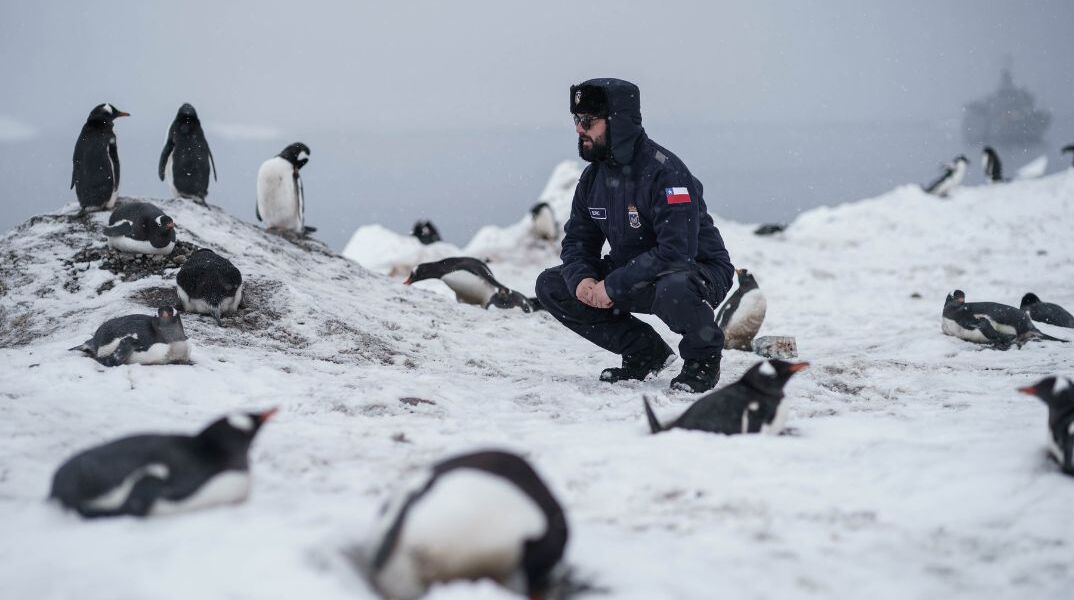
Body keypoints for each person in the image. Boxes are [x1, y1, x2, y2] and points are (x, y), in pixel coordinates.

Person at [535, 78, 734, 393]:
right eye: (577, 119)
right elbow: (576, 243)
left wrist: (612, 286)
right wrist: (583, 279)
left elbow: (676, 254)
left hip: (697, 269)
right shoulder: (593, 178)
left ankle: (703, 359)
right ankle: (645, 351)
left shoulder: (666, 173)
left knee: (674, 287)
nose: (579, 129)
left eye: (588, 121)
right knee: (553, 285)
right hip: (635, 269)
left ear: (618, 121)